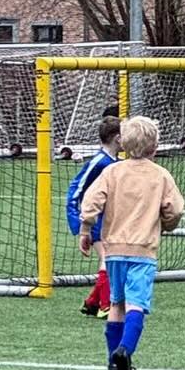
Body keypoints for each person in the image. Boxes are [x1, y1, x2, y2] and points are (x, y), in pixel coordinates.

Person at [78, 114, 185, 370]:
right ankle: (125, 350)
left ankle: (113, 363)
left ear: (123, 144)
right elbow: (175, 209)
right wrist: (168, 223)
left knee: (116, 304)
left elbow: (91, 201)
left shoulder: (112, 172)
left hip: (113, 250)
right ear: (154, 147)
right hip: (143, 251)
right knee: (137, 305)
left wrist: (86, 229)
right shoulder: (161, 175)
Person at [66, 115, 122, 317]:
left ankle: (92, 302)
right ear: (118, 138)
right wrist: (78, 221)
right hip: (95, 219)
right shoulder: (99, 161)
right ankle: (105, 306)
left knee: (111, 258)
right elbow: (76, 188)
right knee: (107, 258)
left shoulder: (116, 162)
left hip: (108, 219)